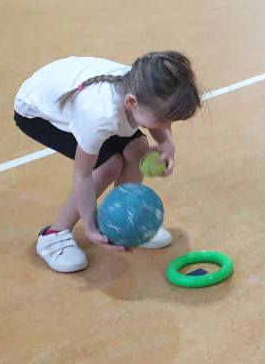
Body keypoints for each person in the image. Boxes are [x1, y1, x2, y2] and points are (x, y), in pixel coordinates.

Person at [15, 52, 201, 273]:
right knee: (107, 166)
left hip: (71, 90)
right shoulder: (98, 116)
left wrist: (166, 143)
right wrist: (90, 226)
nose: (168, 126)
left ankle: (124, 220)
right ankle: (54, 235)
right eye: (164, 120)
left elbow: (156, 121)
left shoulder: (145, 87)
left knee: (138, 150)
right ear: (131, 102)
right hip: (38, 111)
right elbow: (82, 175)